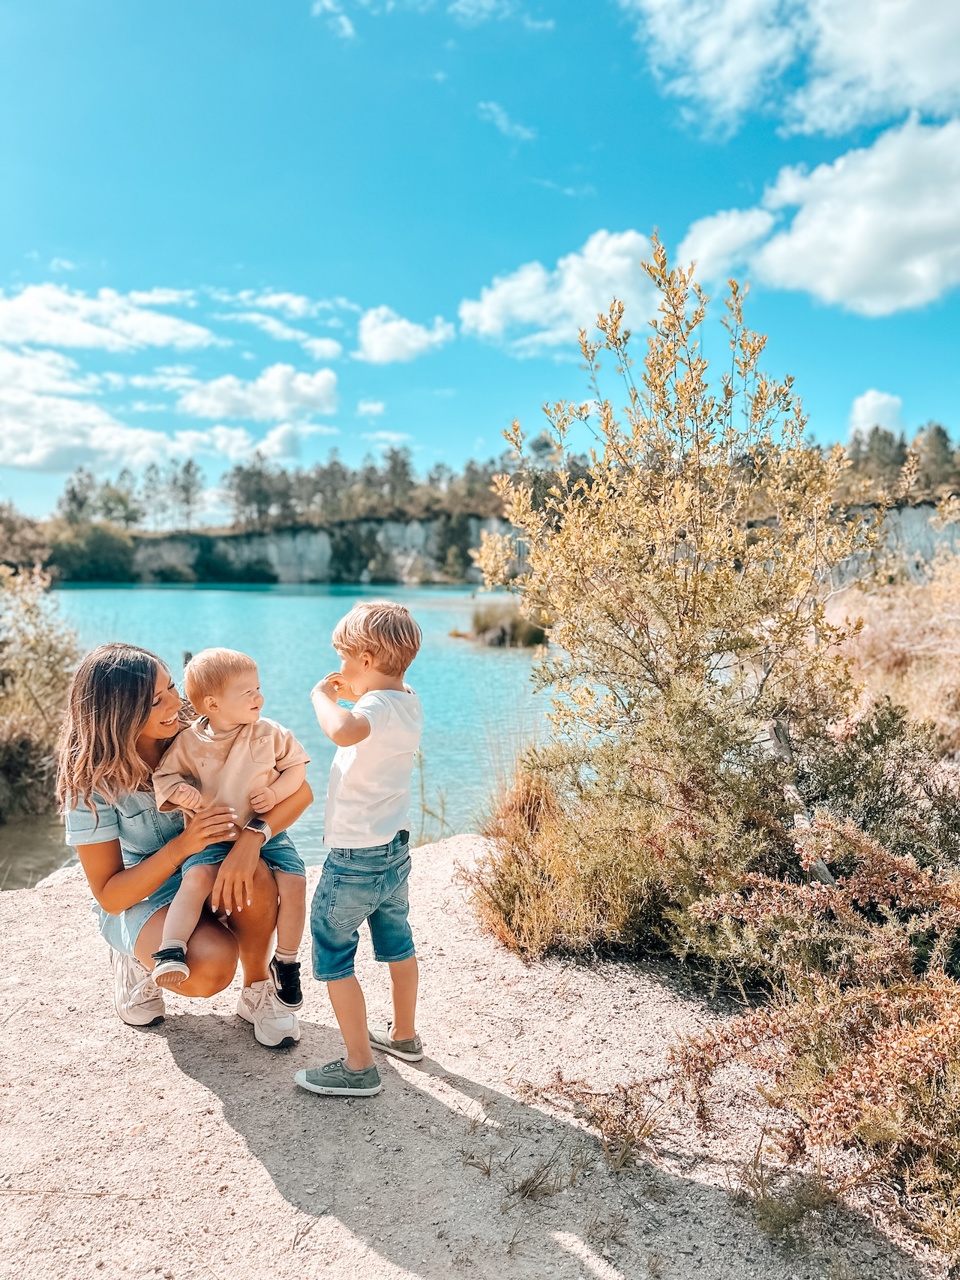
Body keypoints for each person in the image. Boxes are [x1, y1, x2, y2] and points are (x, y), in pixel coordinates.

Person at [57, 642, 312, 1048]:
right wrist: (183, 845)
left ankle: (259, 989)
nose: (175, 703)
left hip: (214, 866)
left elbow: (301, 795)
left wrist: (252, 838)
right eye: (157, 701)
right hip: (147, 892)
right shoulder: (90, 784)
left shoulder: (203, 726)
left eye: (171, 687)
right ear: (120, 714)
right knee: (210, 968)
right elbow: (109, 895)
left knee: (257, 871)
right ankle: (138, 957)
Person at [294, 600, 423, 1098]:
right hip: (395, 852)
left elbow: (344, 730)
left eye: (346, 659)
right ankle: (405, 1036)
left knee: (331, 948)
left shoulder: (368, 711)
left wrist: (321, 697)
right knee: (396, 941)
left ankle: (358, 1065)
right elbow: (376, 708)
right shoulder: (407, 699)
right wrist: (357, 690)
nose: (340, 670)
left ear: (367, 658)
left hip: (355, 857)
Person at [151, 648, 309, 1007]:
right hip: (215, 835)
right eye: (247, 693)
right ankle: (171, 949)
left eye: (258, 688)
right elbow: (165, 777)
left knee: (295, 883)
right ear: (213, 704)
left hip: (267, 832)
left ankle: (285, 960)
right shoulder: (190, 741)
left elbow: (297, 771)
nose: (259, 698)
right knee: (196, 879)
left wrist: (275, 791)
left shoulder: (270, 732)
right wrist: (181, 794)